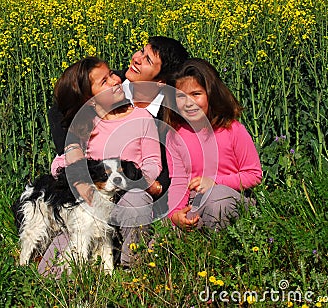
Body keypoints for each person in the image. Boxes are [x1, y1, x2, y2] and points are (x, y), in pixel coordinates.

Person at [39, 57, 162, 276]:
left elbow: (153, 162)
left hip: (127, 197)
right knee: (49, 270)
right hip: (92, 205)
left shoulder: (142, 118)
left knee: (136, 200)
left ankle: (133, 264)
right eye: (104, 81)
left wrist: (138, 181)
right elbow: (59, 163)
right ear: (90, 100)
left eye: (112, 74)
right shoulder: (86, 125)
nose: (116, 80)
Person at [49, 36, 189, 216]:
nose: (136, 58)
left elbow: (160, 164)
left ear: (161, 81)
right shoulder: (112, 83)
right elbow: (62, 108)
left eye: (147, 60)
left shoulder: (169, 113)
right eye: (141, 51)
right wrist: (72, 151)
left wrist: (139, 183)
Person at [164, 58, 262, 231]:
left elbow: (254, 174)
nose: (188, 103)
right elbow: (178, 182)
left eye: (196, 94)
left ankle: (218, 250)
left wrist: (215, 182)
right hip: (195, 201)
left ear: (211, 94)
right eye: (181, 96)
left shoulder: (233, 130)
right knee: (163, 236)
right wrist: (176, 214)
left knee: (216, 198)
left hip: (232, 198)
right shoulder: (175, 136)